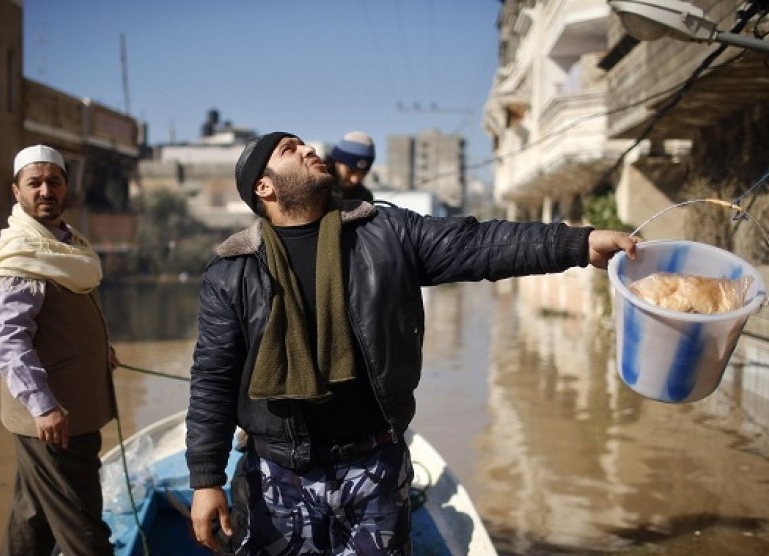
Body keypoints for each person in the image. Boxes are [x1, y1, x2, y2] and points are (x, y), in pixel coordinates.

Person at [186, 131, 638, 554]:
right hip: (277, 473)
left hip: (374, 464)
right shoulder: (233, 271)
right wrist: (206, 480)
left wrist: (579, 243)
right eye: (290, 149)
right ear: (264, 188)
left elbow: (480, 244)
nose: (308, 149)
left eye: (304, 143)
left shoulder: (386, 233)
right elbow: (213, 378)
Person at [0, 145, 118, 556]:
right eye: (34, 183)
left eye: (54, 181)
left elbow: (64, 316)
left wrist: (98, 349)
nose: (45, 190)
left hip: (71, 413)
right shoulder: (21, 255)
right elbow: (8, 341)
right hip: (54, 420)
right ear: (16, 191)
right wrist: (44, 406)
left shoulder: (67, 245)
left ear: (66, 187)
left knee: (31, 517)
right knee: (84, 530)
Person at [324, 130, 376, 202]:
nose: (355, 180)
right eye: (351, 171)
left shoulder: (364, 197)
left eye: (363, 174)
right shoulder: (314, 187)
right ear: (337, 162)